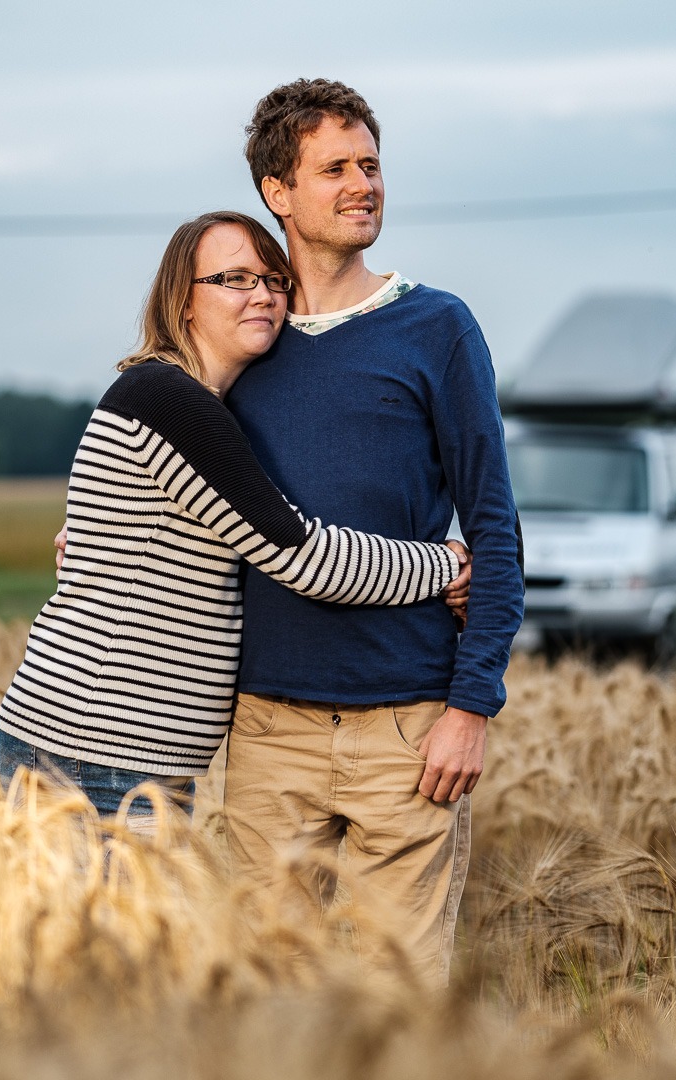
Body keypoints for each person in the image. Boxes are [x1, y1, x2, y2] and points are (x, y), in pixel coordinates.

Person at [0, 210, 471, 822]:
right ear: (184, 301)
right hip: (95, 747)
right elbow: (301, 555)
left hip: (125, 752)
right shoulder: (168, 400)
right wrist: (446, 563)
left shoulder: (202, 407)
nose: (264, 295)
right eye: (235, 279)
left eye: (275, 280)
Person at [220, 79, 525, 986]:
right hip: (267, 728)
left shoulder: (437, 326)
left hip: (409, 729)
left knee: (402, 1008)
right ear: (278, 191)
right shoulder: (236, 334)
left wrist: (471, 707)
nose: (364, 184)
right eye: (336, 169)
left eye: (372, 166)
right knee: (262, 1006)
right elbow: (153, 460)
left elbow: (495, 525)